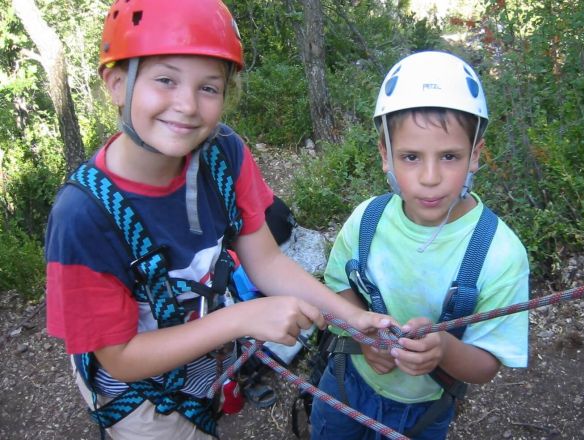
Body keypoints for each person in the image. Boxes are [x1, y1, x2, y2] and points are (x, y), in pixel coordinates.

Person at [43, 1, 391, 439]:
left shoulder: (223, 156)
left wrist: (351, 317)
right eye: (165, 79)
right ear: (117, 84)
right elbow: (120, 357)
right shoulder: (84, 217)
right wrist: (242, 319)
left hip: (202, 364)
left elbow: (265, 261)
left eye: (209, 87)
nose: (187, 105)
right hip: (139, 398)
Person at [309, 51, 530, 439]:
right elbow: (337, 289)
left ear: (475, 155)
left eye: (449, 156)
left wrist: (443, 348)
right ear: (385, 155)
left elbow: (486, 366)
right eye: (410, 157)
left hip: (424, 411)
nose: (430, 178)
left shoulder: (500, 254)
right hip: (347, 384)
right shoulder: (367, 220)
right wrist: (361, 332)